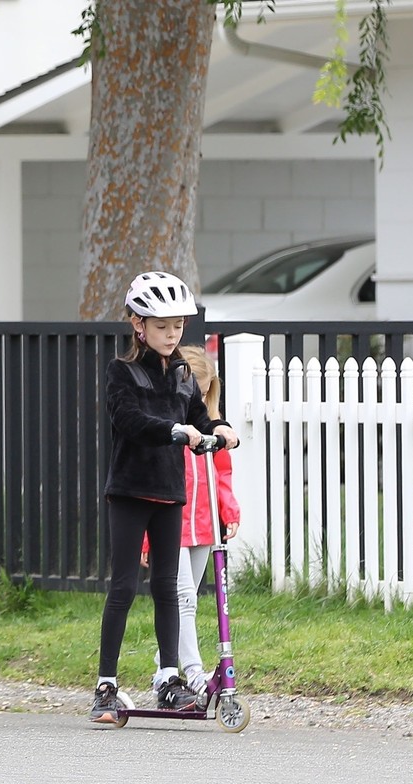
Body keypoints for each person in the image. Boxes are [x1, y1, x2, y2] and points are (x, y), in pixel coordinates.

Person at [89, 271, 239, 724]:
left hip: (170, 493)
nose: (172, 334)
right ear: (138, 325)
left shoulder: (182, 374)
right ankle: (106, 685)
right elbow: (130, 419)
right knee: (122, 587)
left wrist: (219, 428)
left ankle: (168, 679)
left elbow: (198, 416)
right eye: (161, 326)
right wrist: (175, 432)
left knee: (167, 591)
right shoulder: (122, 372)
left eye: (177, 326)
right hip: (131, 491)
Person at [140, 345, 241, 695]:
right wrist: (146, 538)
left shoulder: (209, 431)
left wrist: (227, 510)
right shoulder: (165, 429)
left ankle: (163, 670)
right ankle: (194, 673)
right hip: (171, 523)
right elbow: (148, 483)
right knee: (182, 597)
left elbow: (222, 475)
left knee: (190, 599)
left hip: (203, 524)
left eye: (200, 388)